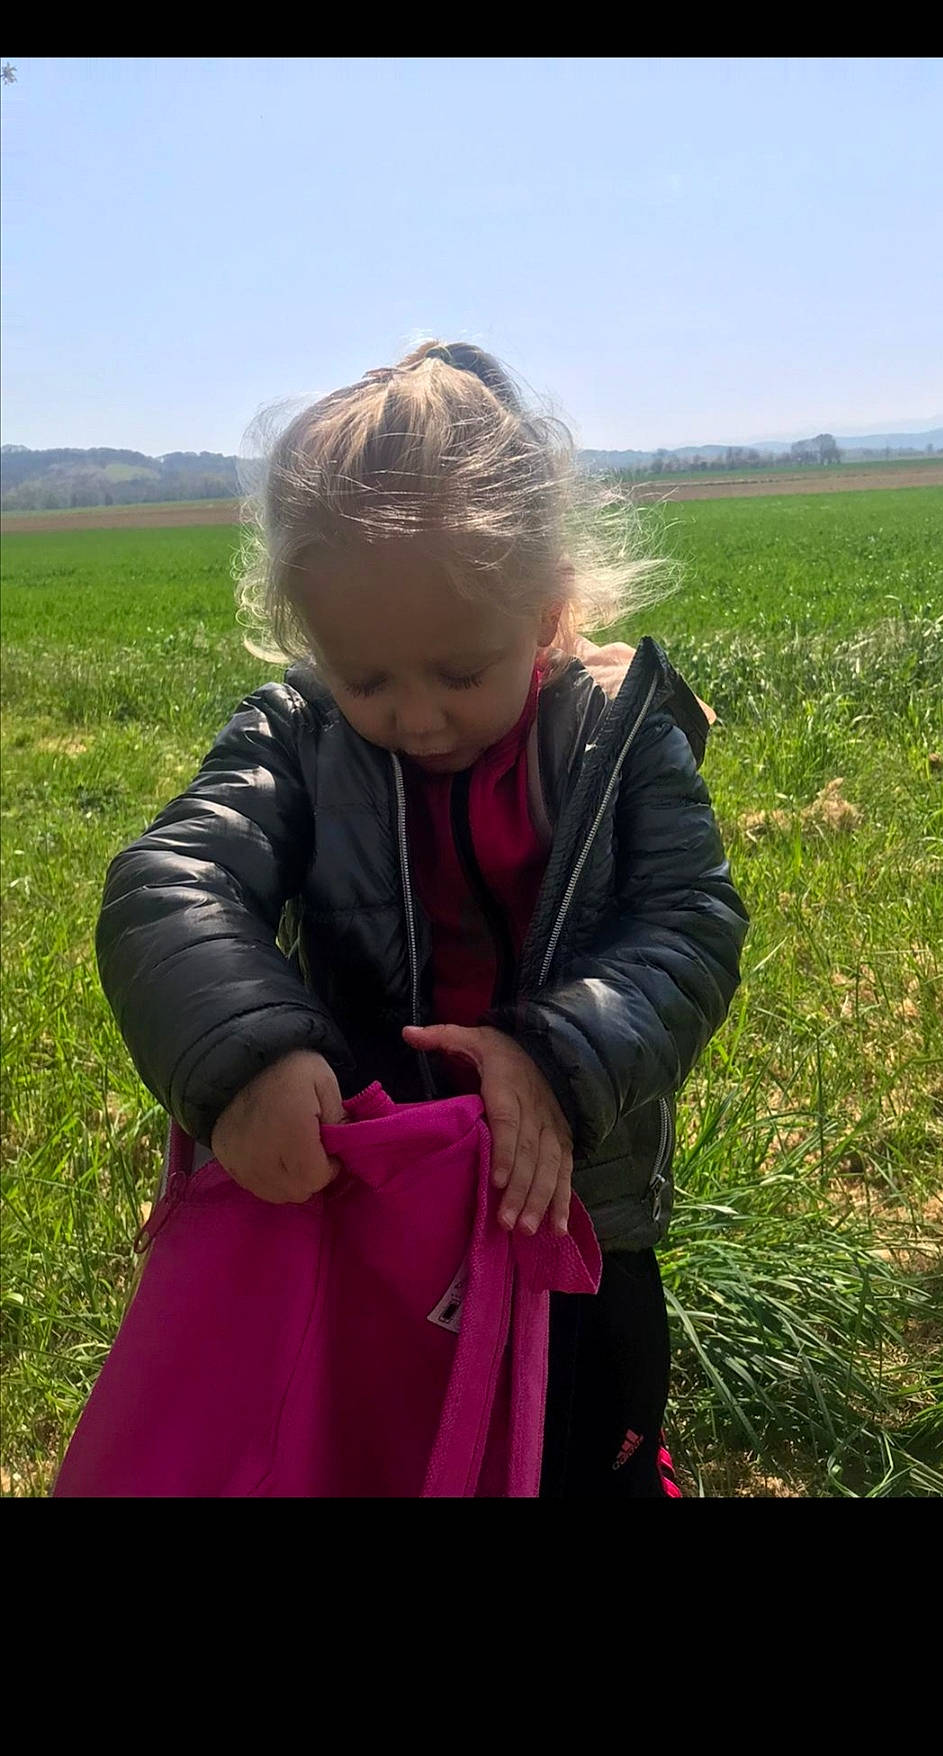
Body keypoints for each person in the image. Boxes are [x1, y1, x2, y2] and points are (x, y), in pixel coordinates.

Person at [97, 340, 749, 1498]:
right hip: (368, 1205)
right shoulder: (298, 734)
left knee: (587, 1441)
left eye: (458, 671)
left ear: (545, 612)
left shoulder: (615, 734)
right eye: (366, 679)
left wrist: (556, 1055)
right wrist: (253, 1052)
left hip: (570, 1211)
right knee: (379, 1441)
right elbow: (173, 876)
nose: (415, 716)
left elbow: (689, 922)